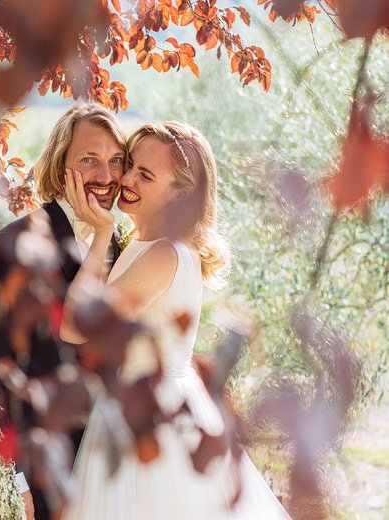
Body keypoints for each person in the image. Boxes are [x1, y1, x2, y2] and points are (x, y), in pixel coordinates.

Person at [59, 121, 291, 519]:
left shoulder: (164, 254)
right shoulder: (144, 244)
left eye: (145, 175)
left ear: (180, 193)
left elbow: (74, 326)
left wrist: (101, 233)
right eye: (130, 164)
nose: (126, 178)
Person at [0, 103, 128, 519]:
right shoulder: (11, 246)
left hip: (110, 461)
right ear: (61, 166)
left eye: (116, 161)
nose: (105, 176)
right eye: (89, 160)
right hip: (43, 467)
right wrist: (13, 479)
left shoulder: (117, 243)